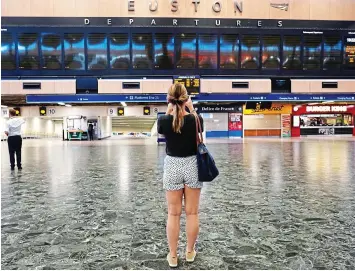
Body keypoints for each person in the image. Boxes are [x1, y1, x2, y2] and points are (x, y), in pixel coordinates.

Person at [157, 83, 204, 268]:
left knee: (173, 213)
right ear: (186, 99)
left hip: (172, 166)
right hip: (192, 164)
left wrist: (169, 109)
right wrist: (191, 108)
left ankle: (173, 256)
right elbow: (197, 123)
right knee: (192, 212)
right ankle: (190, 252)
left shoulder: (164, 120)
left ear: (169, 100)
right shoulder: (196, 119)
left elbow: (165, 124)